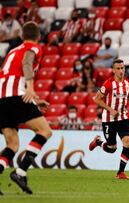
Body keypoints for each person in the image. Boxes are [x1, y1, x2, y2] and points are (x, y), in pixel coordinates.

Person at [0, 21, 52, 194]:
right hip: (16, 95)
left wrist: (35, 101)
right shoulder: (34, 47)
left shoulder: (12, 50)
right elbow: (27, 62)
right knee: (44, 131)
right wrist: (30, 88)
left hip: (1, 98)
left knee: (12, 144)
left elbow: (9, 75)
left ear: (22, 36)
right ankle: (21, 172)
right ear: (38, 36)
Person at [88, 59, 129, 179]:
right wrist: (110, 109)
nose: (121, 71)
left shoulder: (128, 84)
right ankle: (98, 142)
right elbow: (97, 99)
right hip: (109, 120)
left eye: (122, 68)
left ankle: (120, 172)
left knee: (127, 142)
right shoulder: (108, 84)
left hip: (123, 118)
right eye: (118, 69)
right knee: (111, 149)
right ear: (113, 70)